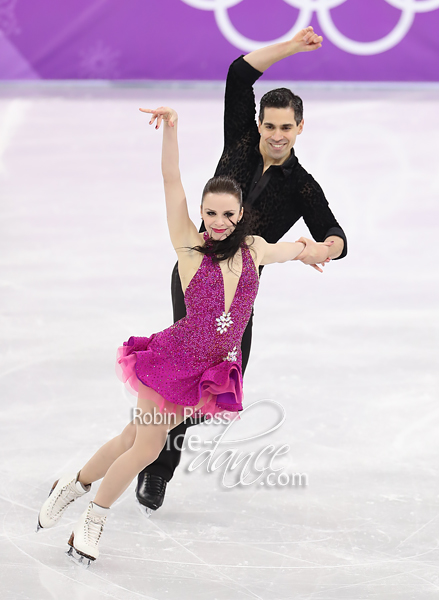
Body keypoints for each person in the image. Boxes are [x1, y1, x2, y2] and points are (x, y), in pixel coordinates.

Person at [36, 105, 329, 566]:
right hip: (171, 364)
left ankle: (73, 484)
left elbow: (296, 249)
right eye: (209, 212)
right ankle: (91, 522)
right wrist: (171, 131)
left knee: (130, 439)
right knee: (148, 446)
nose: (216, 221)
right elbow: (171, 181)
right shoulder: (191, 249)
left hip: (205, 374)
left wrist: (318, 249)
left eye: (226, 214)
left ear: (240, 215)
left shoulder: (256, 250)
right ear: (201, 214)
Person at [136, 26, 347, 512]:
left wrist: (322, 250)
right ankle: (156, 464)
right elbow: (239, 73)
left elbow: (337, 237)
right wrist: (293, 46)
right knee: (185, 372)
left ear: (299, 129)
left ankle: (150, 445)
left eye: (285, 128)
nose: (275, 136)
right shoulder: (239, 139)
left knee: (221, 381)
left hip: (239, 294)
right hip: (194, 275)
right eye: (269, 125)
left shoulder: (303, 188)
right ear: (258, 123)